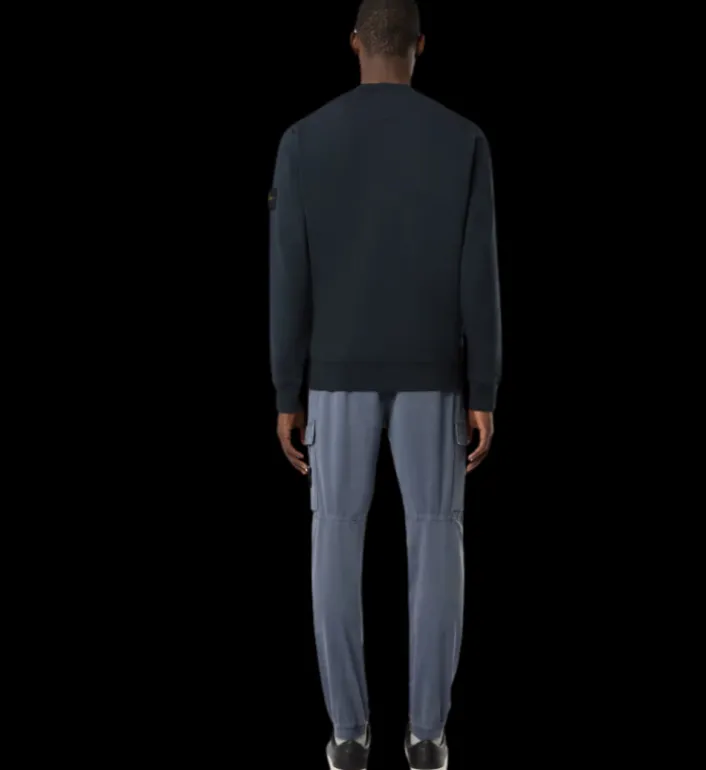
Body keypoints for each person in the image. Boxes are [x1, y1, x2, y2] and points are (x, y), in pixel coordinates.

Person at [268, 1, 501, 767]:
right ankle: (428, 735)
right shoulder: (462, 140)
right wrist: (484, 386)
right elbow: (480, 273)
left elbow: (289, 275)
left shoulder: (304, 140)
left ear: (354, 45)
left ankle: (347, 733)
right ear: (420, 46)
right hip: (435, 373)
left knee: (335, 535)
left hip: (334, 374)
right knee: (437, 536)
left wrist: (287, 388)